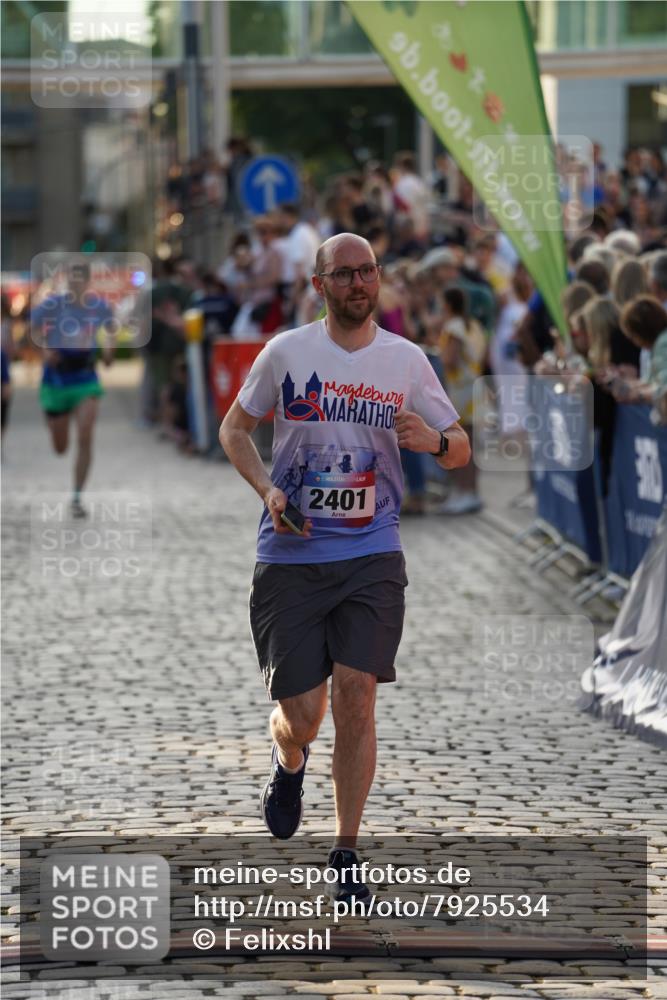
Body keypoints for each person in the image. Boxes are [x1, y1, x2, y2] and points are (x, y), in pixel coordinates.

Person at [219, 233, 470, 902]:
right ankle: (288, 755)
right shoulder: (286, 353)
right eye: (344, 274)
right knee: (303, 714)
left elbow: (460, 449)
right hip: (292, 555)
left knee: (357, 694)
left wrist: (437, 439)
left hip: (371, 552)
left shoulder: (405, 360)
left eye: (367, 272)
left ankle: (346, 850)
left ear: (378, 279)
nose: (359, 283)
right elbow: (233, 431)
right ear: (318, 284)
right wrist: (267, 490)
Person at [31, 262, 115, 517]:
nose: (76, 285)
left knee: (86, 434)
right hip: (56, 380)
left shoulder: (99, 307)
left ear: (88, 282)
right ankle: (54, 419)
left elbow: (110, 330)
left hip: (85, 378)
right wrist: (45, 351)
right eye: (73, 280)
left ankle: (77, 496)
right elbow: (33, 330)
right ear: (67, 281)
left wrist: (109, 349)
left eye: (81, 281)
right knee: (60, 448)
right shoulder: (53, 305)